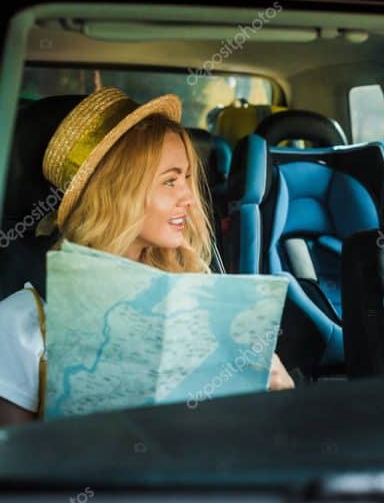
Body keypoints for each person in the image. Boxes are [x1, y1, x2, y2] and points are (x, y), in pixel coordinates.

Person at [0, 87, 294, 427]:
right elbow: (14, 468)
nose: (189, 198)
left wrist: (274, 393)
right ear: (115, 192)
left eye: (186, 177)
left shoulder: (208, 303)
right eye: (169, 182)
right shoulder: (22, 322)